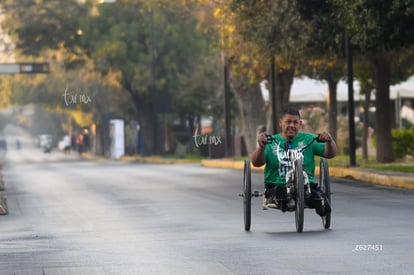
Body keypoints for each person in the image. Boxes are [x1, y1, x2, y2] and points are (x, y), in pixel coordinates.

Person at [250, 107, 337, 216]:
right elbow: (256, 162)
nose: (292, 125)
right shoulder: (271, 141)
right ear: (281, 123)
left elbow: (330, 154)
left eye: (295, 122)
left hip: (306, 186)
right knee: (280, 194)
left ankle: (321, 206)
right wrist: (261, 148)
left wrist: (329, 141)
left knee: (316, 198)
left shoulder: (308, 139)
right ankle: (288, 201)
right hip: (278, 185)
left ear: (300, 124)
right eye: (288, 122)